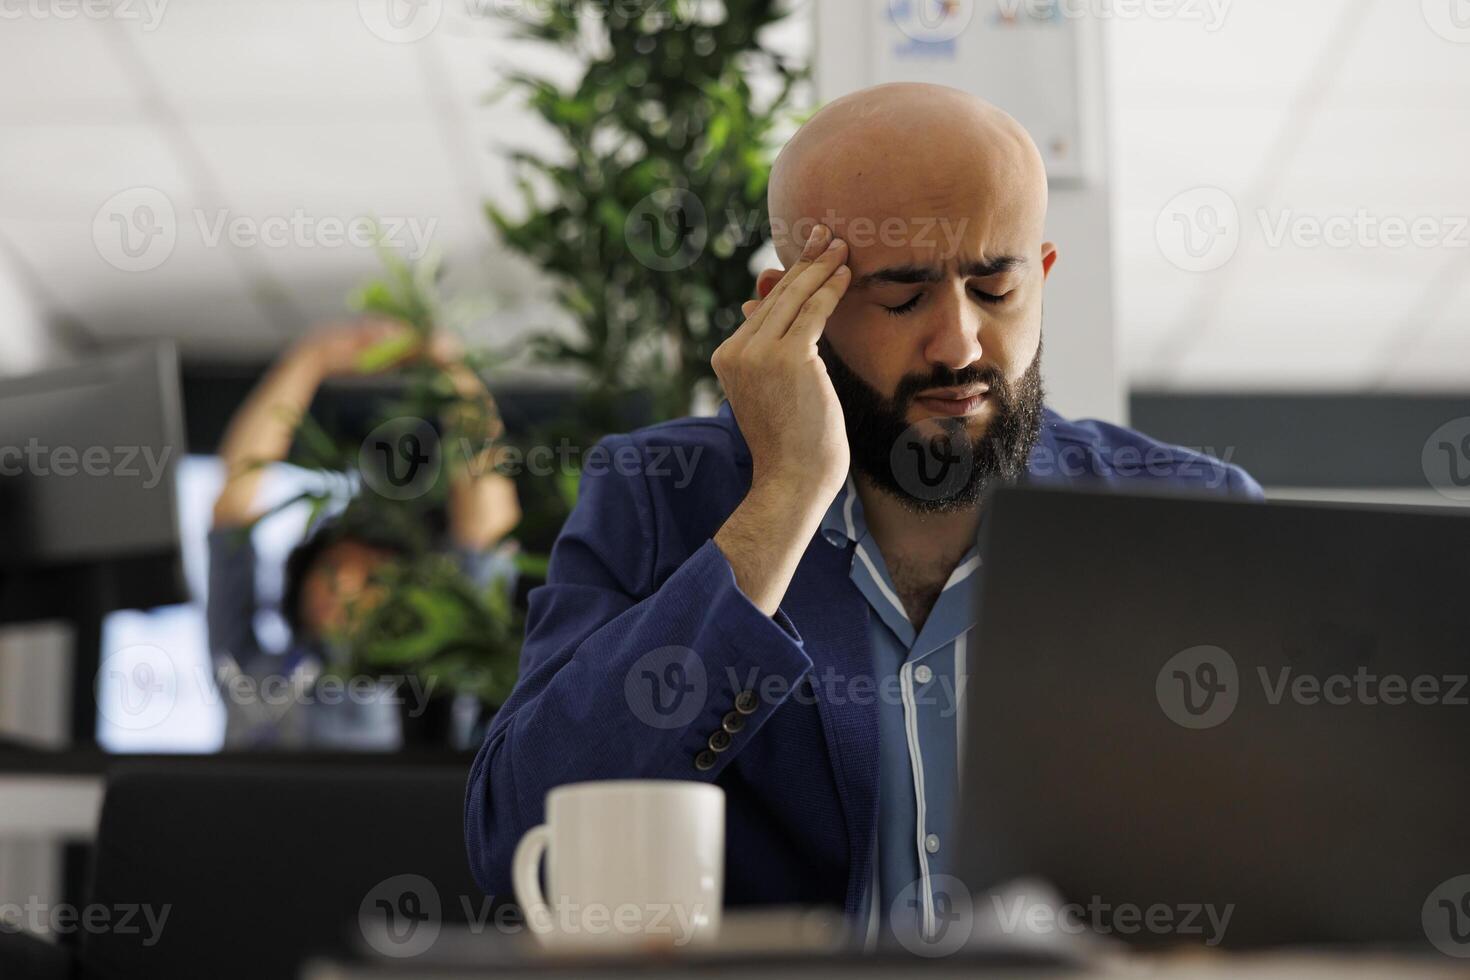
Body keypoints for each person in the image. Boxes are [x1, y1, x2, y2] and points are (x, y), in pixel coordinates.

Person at [464, 83, 1263, 933]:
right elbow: (519, 831)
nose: (959, 344)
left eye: (994, 289)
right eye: (902, 296)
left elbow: (1295, 844)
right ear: (790, 307)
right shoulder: (659, 493)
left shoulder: (1191, 512)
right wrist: (783, 500)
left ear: (1044, 275)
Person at [208, 320, 521, 748]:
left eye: (375, 579)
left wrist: (451, 371)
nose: (345, 587)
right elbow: (233, 509)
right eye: (333, 568)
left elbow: (490, 535)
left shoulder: (442, 677)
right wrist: (310, 359)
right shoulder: (250, 669)